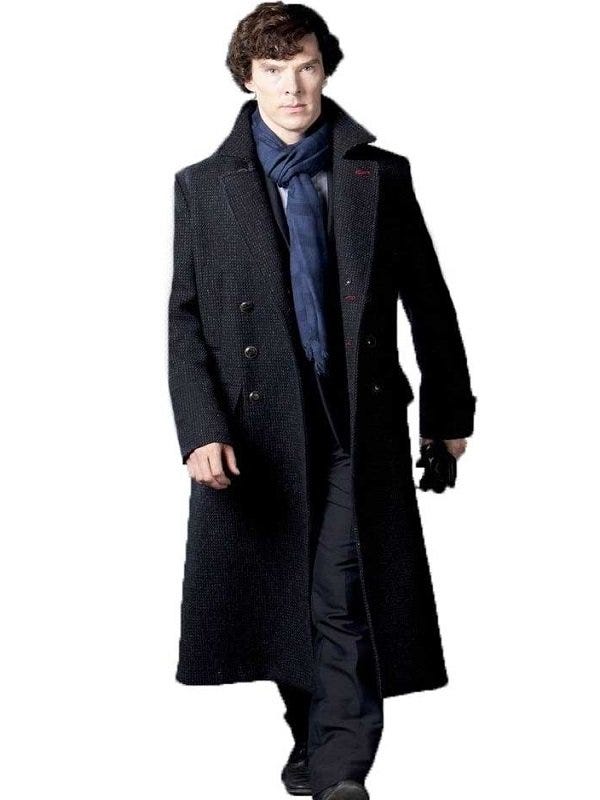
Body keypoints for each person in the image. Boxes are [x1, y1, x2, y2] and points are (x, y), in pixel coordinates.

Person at [168, 4, 477, 799]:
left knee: (343, 594)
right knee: (286, 601)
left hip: (356, 419)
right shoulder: (202, 186)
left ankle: (340, 774)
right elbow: (187, 319)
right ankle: (313, 735)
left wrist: (448, 415)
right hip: (259, 430)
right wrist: (200, 428)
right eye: (274, 70)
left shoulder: (380, 173)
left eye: (305, 66)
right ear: (247, 78)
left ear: (326, 68)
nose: (293, 87)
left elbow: (428, 300)